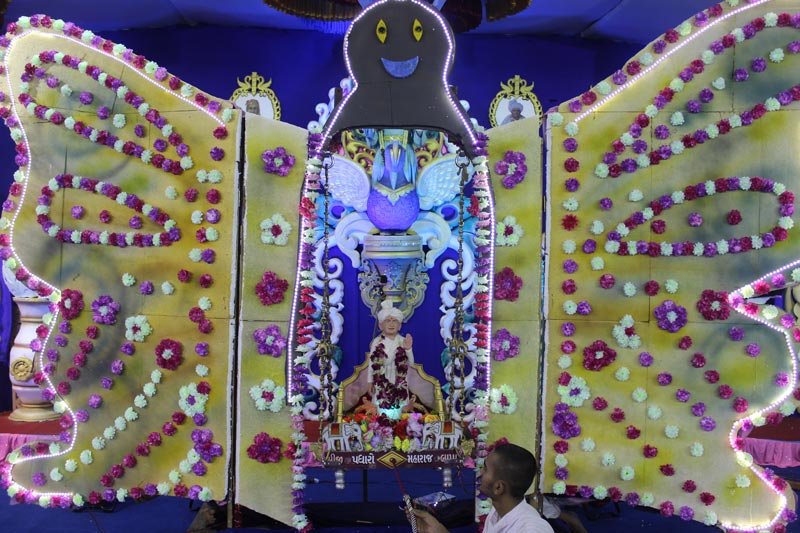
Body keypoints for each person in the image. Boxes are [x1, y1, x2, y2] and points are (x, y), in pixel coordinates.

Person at [413, 442, 554, 532]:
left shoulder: (531, 529)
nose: (480, 473)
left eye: (485, 469)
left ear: (498, 488)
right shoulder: (497, 513)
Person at [360, 300, 415, 418]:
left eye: (395, 321)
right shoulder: (377, 342)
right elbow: (371, 364)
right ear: (381, 325)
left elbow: (411, 363)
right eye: (388, 321)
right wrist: (370, 382)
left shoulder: (403, 341)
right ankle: (382, 424)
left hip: (399, 380)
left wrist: (408, 349)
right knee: (381, 408)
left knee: (399, 408)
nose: (391, 324)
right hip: (381, 380)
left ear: (400, 326)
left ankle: (400, 424)